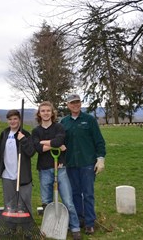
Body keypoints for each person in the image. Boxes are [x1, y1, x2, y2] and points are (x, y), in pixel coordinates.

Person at [32, 101, 81, 240]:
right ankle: (49, 227)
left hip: (60, 168)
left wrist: (44, 142)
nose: (46, 113)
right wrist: (54, 145)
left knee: (68, 201)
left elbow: (58, 141)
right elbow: (37, 148)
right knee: (46, 201)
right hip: (44, 169)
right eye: (43, 111)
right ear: (39, 113)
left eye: (48, 110)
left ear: (52, 113)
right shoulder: (36, 131)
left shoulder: (59, 127)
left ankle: (75, 227)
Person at [61, 94, 106, 235]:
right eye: (72, 103)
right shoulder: (64, 122)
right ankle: (79, 219)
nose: (75, 105)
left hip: (87, 163)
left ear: (80, 103)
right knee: (74, 193)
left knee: (88, 193)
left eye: (77, 102)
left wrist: (100, 158)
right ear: (68, 105)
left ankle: (89, 222)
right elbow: (60, 142)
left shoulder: (89, 120)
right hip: (71, 164)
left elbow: (99, 141)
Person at [0, 109, 35, 215]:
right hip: (7, 175)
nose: (12, 121)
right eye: (10, 119)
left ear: (19, 120)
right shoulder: (4, 133)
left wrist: (23, 140)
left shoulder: (25, 134)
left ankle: (27, 228)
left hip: (23, 175)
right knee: (9, 205)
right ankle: (10, 227)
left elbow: (31, 152)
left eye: (15, 119)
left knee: (24, 204)